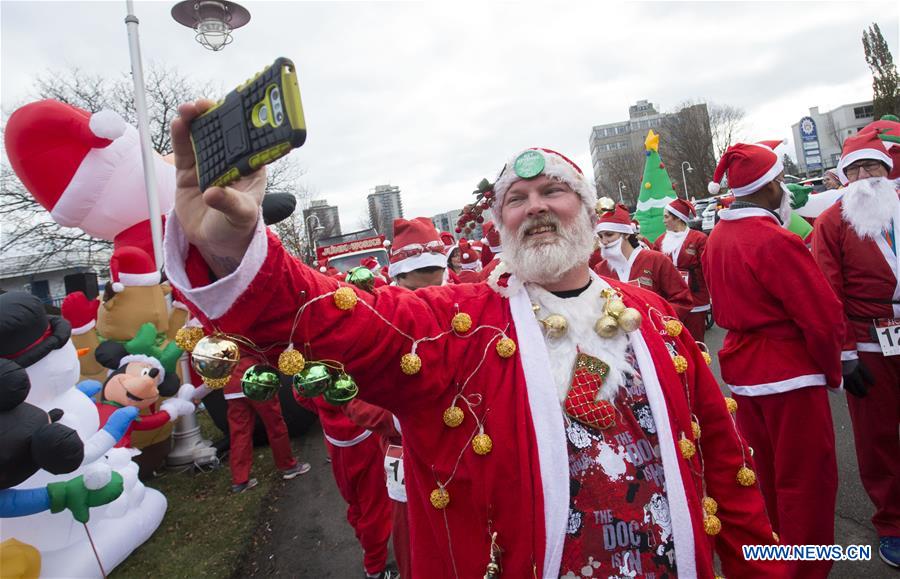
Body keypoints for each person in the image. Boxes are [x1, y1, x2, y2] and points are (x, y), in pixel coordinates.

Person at [165, 105, 784, 578]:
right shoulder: (459, 324)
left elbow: (729, 474)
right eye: (516, 199)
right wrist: (232, 248)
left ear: (590, 212)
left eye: (553, 192)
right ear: (500, 224)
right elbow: (340, 324)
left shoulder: (656, 319)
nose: (535, 207)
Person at [704, 140, 844, 578]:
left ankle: (778, 562)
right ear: (766, 187)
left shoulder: (717, 238)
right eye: (780, 181)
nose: (784, 189)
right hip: (790, 375)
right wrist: (833, 369)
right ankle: (807, 570)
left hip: (744, 373)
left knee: (765, 476)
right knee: (806, 481)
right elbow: (821, 317)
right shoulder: (774, 238)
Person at [811, 128, 900, 568]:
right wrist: (844, 356)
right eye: (856, 169)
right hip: (868, 343)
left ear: (888, 169)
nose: (866, 176)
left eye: (873, 166)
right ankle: (892, 522)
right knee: (877, 438)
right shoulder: (832, 222)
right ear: (844, 176)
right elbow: (828, 292)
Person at [594, 202, 693, 319]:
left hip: (655, 331)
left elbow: (682, 300)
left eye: (609, 235)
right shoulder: (600, 269)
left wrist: (657, 319)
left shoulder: (656, 260)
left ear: (626, 234)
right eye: (600, 236)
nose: (604, 242)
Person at [654, 198, 711, 342]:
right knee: (676, 344)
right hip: (672, 302)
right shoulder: (660, 241)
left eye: (666, 216)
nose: (663, 221)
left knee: (696, 343)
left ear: (678, 218)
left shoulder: (699, 239)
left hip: (696, 300)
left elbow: (708, 269)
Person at [387, 217, 448, 290]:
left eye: (437, 288)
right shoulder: (383, 300)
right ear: (396, 279)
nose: (429, 297)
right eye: (415, 290)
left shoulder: (455, 298)